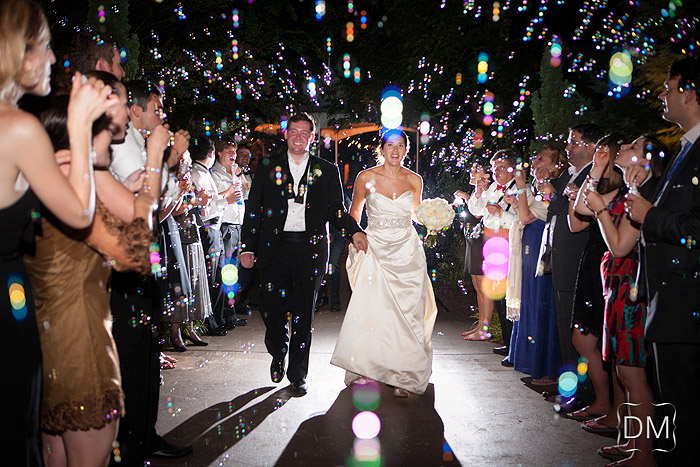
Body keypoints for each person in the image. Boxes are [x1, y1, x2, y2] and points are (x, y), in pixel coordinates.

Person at [27, 74, 164, 467]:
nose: (112, 142)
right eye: (105, 134)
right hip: (81, 348)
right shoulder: (76, 195)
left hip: (45, 347)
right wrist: (154, 163)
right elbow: (138, 252)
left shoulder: (45, 182)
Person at [0, 1, 111, 463]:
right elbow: (81, 213)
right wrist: (80, 127)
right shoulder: (17, 127)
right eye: (45, 47)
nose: (51, 58)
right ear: (19, 51)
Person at [240, 112, 367, 395]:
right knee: (271, 309)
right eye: (293, 132)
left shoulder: (327, 170)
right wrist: (247, 246)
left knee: (304, 313)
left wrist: (354, 231)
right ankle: (278, 350)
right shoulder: (268, 166)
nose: (298, 137)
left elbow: (336, 211)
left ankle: (298, 374)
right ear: (286, 135)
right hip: (274, 249)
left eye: (304, 133)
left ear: (312, 137)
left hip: (310, 250)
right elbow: (254, 208)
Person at [625, 56, 700, 467]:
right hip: (670, 302)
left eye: (668, 87)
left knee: (684, 412)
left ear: (690, 93)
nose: (661, 94)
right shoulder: (685, 149)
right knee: (673, 405)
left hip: (687, 306)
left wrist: (649, 216)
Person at [330, 129, 437, 397]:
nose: (395, 150)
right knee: (374, 310)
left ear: (406, 150)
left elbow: (416, 214)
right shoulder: (366, 177)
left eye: (400, 145)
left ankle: (405, 374)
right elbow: (354, 213)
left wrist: (434, 220)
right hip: (376, 248)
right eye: (390, 145)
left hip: (407, 252)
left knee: (408, 312)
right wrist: (354, 237)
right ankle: (369, 367)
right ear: (382, 148)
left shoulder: (414, 180)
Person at [580, 135, 666, 466]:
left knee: (633, 376)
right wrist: (597, 169)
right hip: (616, 287)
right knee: (622, 372)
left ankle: (643, 454)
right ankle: (633, 443)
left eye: (633, 147)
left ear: (646, 159)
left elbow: (619, 247)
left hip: (633, 290)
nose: (625, 148)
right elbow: (582, 208)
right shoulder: (630, 190)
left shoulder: (645, 195)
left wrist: (601, 209)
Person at [537, 123, 604, 408]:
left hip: (576, 261)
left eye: (574, 141)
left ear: (591, 146)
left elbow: (575, 215)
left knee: (579, 333)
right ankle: (570, 386)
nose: (568, 146)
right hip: (560, 259)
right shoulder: (569, 173)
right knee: (565, 330)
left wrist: (553, 194)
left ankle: (586, 393)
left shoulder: (594, 175)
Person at [567, 135, 631, 432]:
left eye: (606, 151)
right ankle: (604, 402)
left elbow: (585, 208)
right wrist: (594, 171)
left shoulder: (622, 191)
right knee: (585, 340)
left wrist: (594, 172)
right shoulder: (603, 188)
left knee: (608, 346)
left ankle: (614, 409)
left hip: (611, 265)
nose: (599, 155)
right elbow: (580, 212)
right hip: (594, 262)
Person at [505, 144, 567, 384]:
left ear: (554, 165)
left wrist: (521, 188)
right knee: (529, 301)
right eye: (535, 158)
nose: (535, 162)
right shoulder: (537, 188)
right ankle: (529, 361)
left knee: (541, 304)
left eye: (541, 159)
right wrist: (518, 198)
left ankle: (545, 367)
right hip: (529, 246)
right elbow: (524, 213)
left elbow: (526, 217)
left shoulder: (551, 190)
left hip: (541, 248)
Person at [467, 150, 519, 363]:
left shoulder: (520, 189)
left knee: (508, 294)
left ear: (512, 169)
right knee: (498, 293)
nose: (496, 172)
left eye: (501, 168)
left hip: (508, 243)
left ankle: (514, 345)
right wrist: (478, 192)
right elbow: (477, 210)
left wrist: (501, 214)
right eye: (495, 168)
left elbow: (524, 218)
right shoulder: (493, 188)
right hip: (491, 242)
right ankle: (508, 342)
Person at [454, 162, 489, 340]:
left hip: (482, 240)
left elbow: (477, 214)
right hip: (471, 240)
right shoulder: (475, 193)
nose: (472, 173)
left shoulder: (487, 191)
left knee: (483, 286)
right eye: (472, 170)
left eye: (477, 170)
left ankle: (485, 329)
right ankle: (480, 325)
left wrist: (467, 198)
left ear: (487, 176)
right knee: (476, 285)